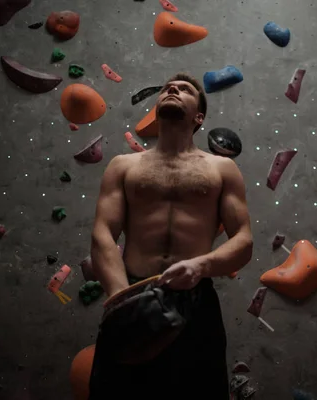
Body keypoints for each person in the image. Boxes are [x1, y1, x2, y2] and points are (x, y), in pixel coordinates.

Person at [88, 73, 253, 399]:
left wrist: (201, 266)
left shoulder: (222, 169)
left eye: (185, 89)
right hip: (131, 290)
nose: (172, 89)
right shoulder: (123, 165)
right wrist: (124, 302)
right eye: (166, 88)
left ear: (199, 117)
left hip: (195, 300)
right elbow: (103, 233)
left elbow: (244, 240)